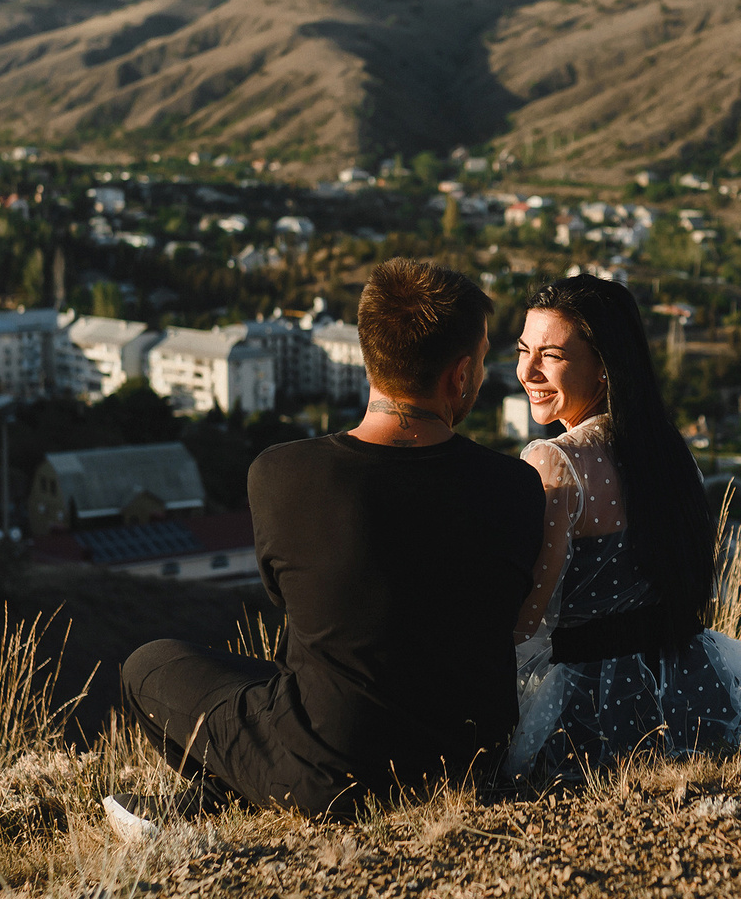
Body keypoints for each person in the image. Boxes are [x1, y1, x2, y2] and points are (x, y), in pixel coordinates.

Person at [109, 259, 544, 823]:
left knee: (147, 666)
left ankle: (215, 804)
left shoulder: (281, 474)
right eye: (482, 361)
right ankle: (215, 805)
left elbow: (290, 601)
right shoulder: (517, 487)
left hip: (331, 774)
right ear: (460, 375)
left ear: (370, 356)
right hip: (470, 764)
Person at [504, 275, 741, 776]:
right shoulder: (666, 448)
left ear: (604, 368)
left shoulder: (555, 461)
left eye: (551, 356)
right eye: (524, 350)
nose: (528, 371)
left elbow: (529, 622)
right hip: (686, 692)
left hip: (585, 708)